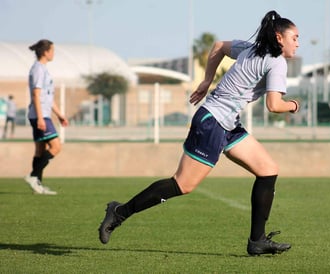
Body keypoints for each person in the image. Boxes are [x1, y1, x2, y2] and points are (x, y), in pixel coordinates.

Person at [99, 10, 300, 256]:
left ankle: (257, 241)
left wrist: (206, 81)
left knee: (268, 170)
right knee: (182, 185)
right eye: (295, 38)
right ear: (279, 38)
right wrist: (295, 105)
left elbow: (218, 46)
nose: (297, 43)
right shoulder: (277, 61)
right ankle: (119, 212)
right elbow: (274, 105)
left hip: (226, 122)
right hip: (213, 121)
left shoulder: (250, 49)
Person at [24, 39, 68, 195]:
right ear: (45, 52)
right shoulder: (38, 69)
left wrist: (60, 115)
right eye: (52, 50)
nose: (53, 53)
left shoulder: (43, 69)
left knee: (40, 150)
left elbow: (47, 97)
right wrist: (41, 118)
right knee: (56, 147)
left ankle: (38, 185)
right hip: (39, 115)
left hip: (42, 114)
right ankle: (33, 176)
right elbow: (36, 94)